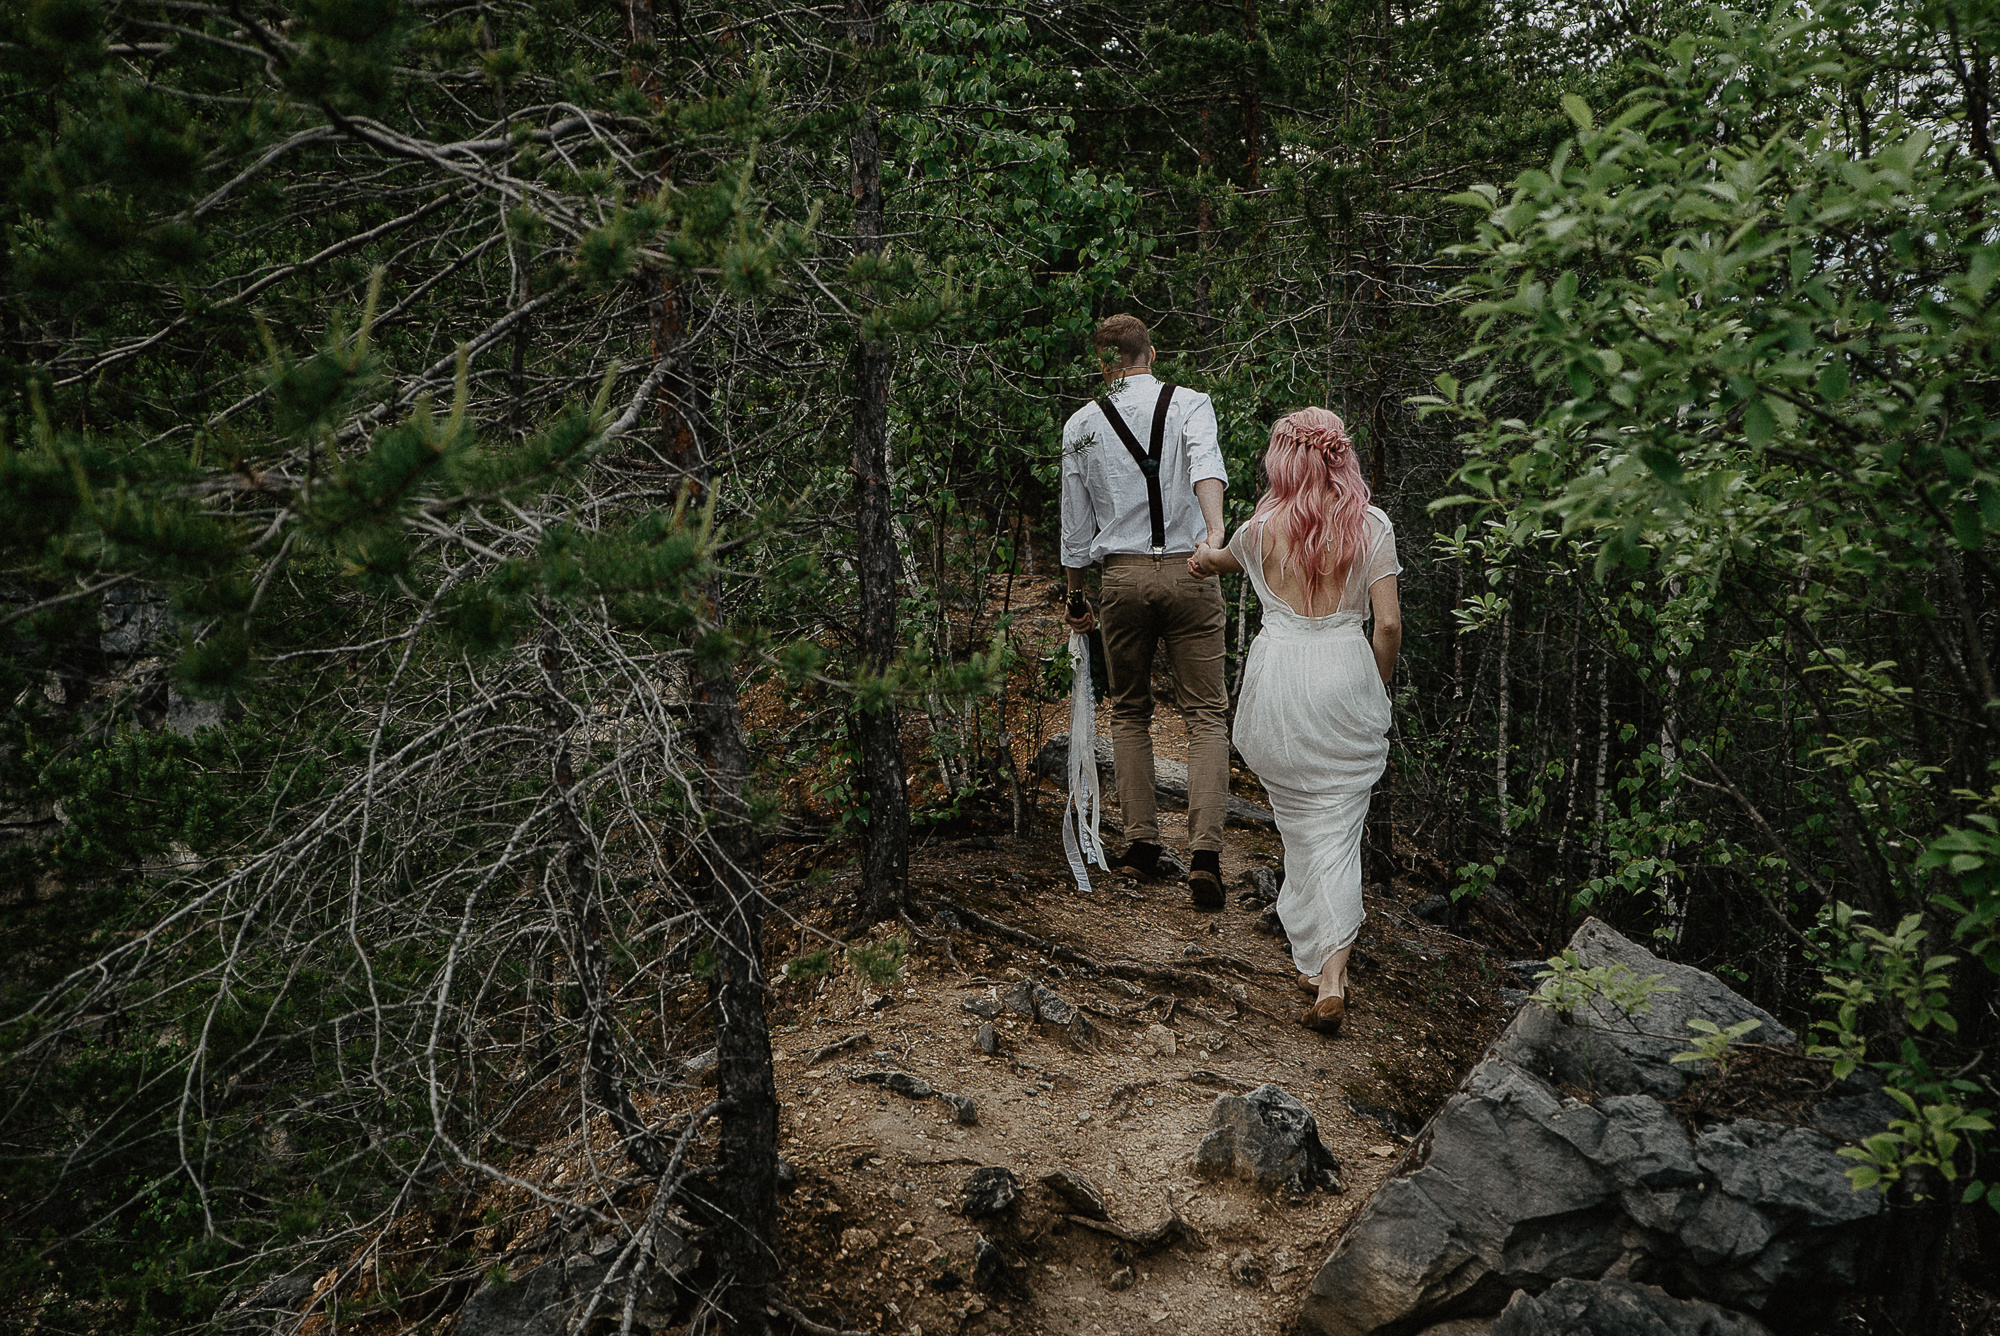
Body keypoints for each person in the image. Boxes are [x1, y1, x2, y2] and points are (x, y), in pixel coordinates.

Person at [1189, 407, 1401, 1035]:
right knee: (1337, 831)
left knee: (1303, 827)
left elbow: (1215, 561)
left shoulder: (1259, 530)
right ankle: (1329, 974)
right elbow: (1388, 625)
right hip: (1344, 676)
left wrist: (1201, 557)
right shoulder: (1372, 527)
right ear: (1342, 456)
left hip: (1278, 683)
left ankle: (1318, 966)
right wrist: (1375, 687)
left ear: (1282, 460)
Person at [1060, 314, 1230, 909]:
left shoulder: (1082, 424)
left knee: (1130, 710)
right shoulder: (1190, 404)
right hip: (1191, 569)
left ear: (1103, 364)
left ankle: (1140, 846)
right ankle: (1205, 856)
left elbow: (1075, 522)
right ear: (1150, 354)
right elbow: (1207, 467)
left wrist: (1076, 594)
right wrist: (1214, 535)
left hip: (1123, 578)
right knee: (1206, 714)